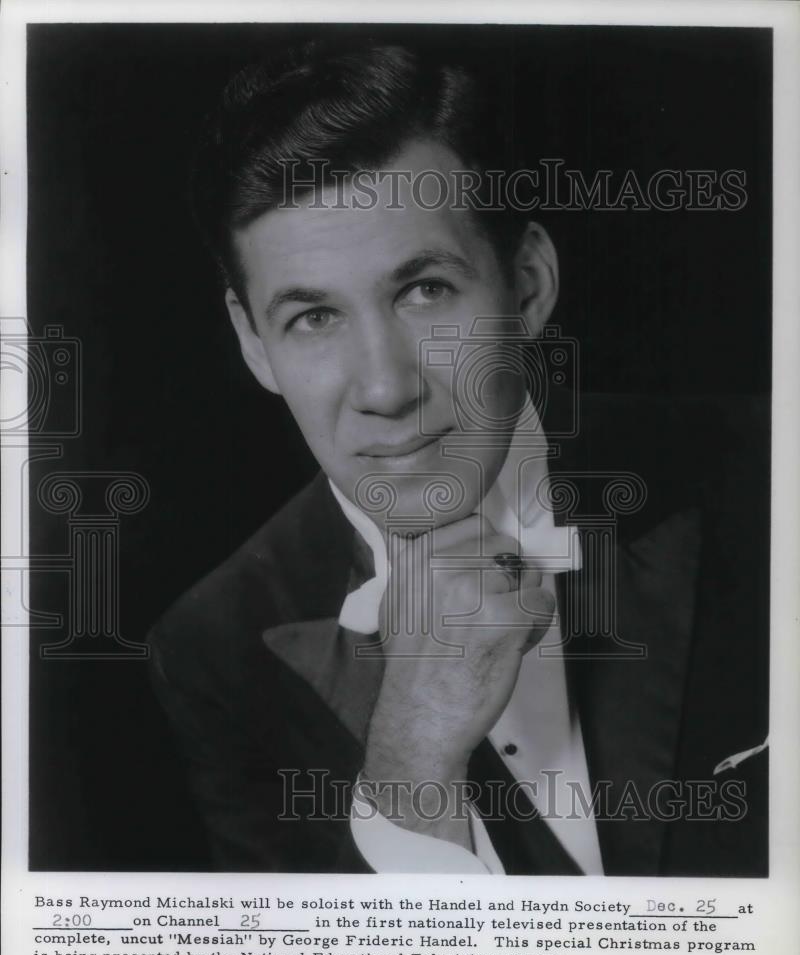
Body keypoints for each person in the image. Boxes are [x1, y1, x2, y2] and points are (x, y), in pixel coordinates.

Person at [149, 39, 768, 875]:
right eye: (314, 318)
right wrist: (410, 768)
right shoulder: (211, 652)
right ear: (253, 344)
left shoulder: (765, 470)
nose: (385, 387)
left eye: (424, 290)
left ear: (528, 284)